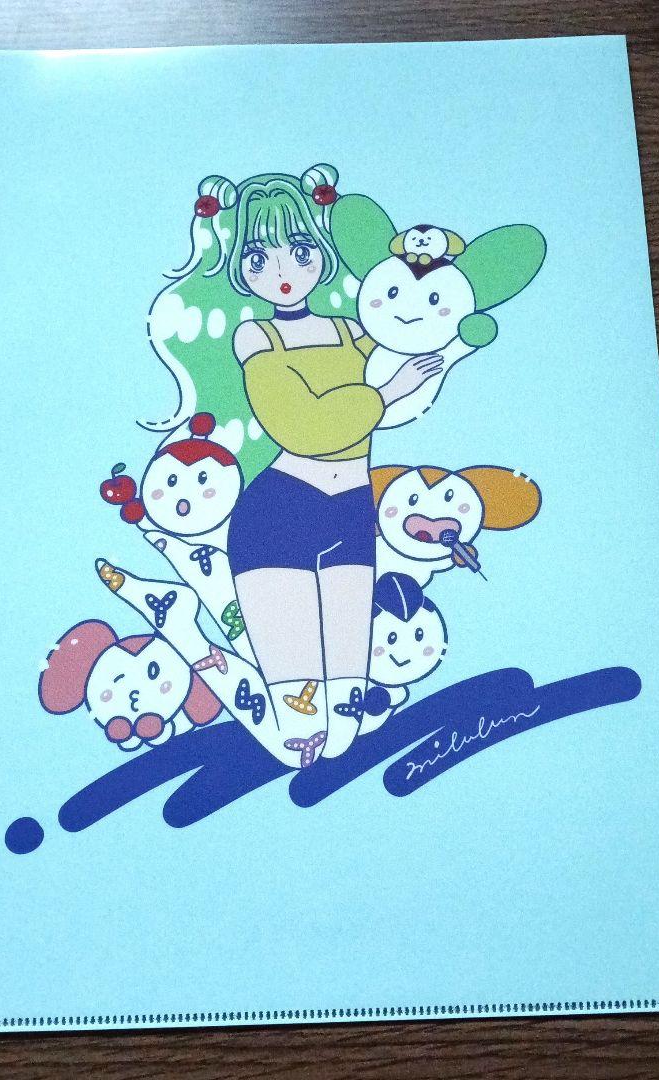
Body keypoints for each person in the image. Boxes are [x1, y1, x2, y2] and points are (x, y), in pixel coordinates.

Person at [213, 167, 443, 765]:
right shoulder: (256, 340)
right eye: (259, 259)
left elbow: (413, 380)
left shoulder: (355, 331)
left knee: (347, 694)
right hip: (279, 514)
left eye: (299, 251)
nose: (283, 273)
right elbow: (303, 426)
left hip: (351, 509)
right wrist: (382, 395)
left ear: (321, 251)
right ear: (241, 269)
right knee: (299, 706)